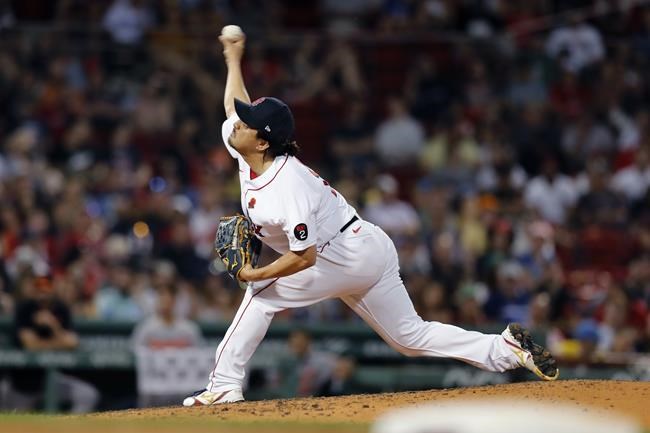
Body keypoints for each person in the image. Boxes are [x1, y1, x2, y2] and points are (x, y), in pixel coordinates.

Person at [182, 27, 559, 407]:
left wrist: (253, 274)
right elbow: (235, 105)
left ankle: (225, 383)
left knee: (261, 296)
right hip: (366, 245)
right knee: (409, 337)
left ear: (263, 141)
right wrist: (233, 58)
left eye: (248, 124)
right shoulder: (250, 151)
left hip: (338, 253)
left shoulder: (286, 187)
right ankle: (504, 349)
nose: (237, 125)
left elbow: (304, 257)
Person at [10, 274, 99, 413]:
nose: (43, 295)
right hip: (23, 382)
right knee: (13, 418)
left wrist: (53, 326)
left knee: (87, 395)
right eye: (40, 290)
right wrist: (57, 344)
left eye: (46, 290)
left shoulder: (60, 309)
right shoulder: (25, 308)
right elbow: (30, 345)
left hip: (51, 379)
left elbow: (72, 343)